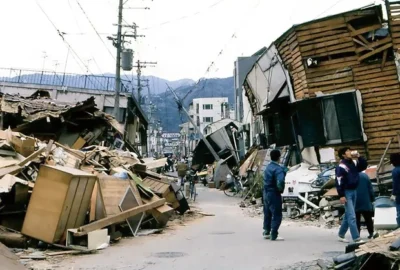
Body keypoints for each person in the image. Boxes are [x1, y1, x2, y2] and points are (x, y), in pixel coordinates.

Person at [336, 147, 368, 243]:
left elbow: (363, 167)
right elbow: (338, 181)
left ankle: (341, 234)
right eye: (347, 151)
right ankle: (356, 238)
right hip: (346, 192)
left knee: (348, 214)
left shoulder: (353, 163)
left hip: (354, 190)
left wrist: (359, 157)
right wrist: (341, 195)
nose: (350, 152)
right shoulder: (341, 166)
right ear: (343, 154)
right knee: (352, 216)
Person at [263, 149, 286, 241]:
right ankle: (274, 234)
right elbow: (280, 182)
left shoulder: (268, 167)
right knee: (276, 213)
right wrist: (280, 190)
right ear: (279, 158)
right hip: (273, 193)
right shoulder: (278, 169)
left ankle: (266, 231)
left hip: (265, 192)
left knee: (267, 212)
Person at [355, 172, 378, 239]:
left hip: (355, 200)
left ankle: (357, 235)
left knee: (356, 219)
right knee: (368, 218)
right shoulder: (365, 176)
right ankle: (371, 233)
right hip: (365, 200)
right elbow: (370, 188)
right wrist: (372, 199)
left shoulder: (351, 175)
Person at [390, 153, 400, 228]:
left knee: (399, 212)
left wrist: (393, 194)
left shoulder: (395, 171)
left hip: (399, 194)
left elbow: (396, 184)